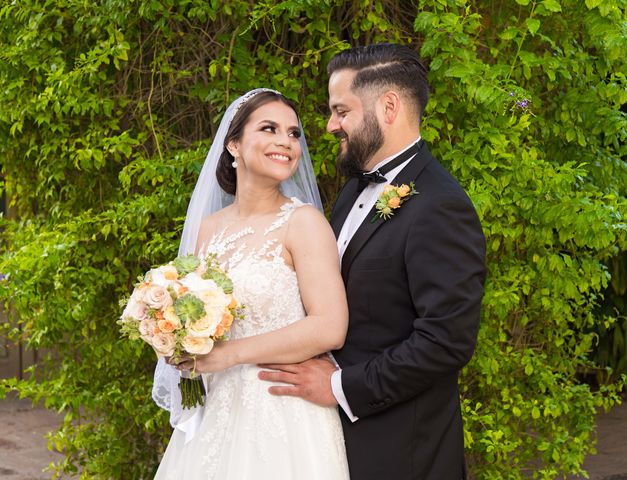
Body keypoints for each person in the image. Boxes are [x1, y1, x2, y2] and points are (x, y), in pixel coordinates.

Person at [258, 44, 487, 479]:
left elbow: (445, 342)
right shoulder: (350, 193)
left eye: (341, 111)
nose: (329, 126)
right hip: (327, 444)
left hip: (401, 453)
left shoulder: (441, 206)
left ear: (388, 106)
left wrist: (338, 386)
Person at [153, 89, 350, 479]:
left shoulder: (303, 222)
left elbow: (330, 326)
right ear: (234, 146)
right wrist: (173, 336)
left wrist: (229, 354)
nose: (286, 142)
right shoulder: (207, 229)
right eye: (269, 129)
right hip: (215, 411)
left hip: (283, 411)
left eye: (293, 134)